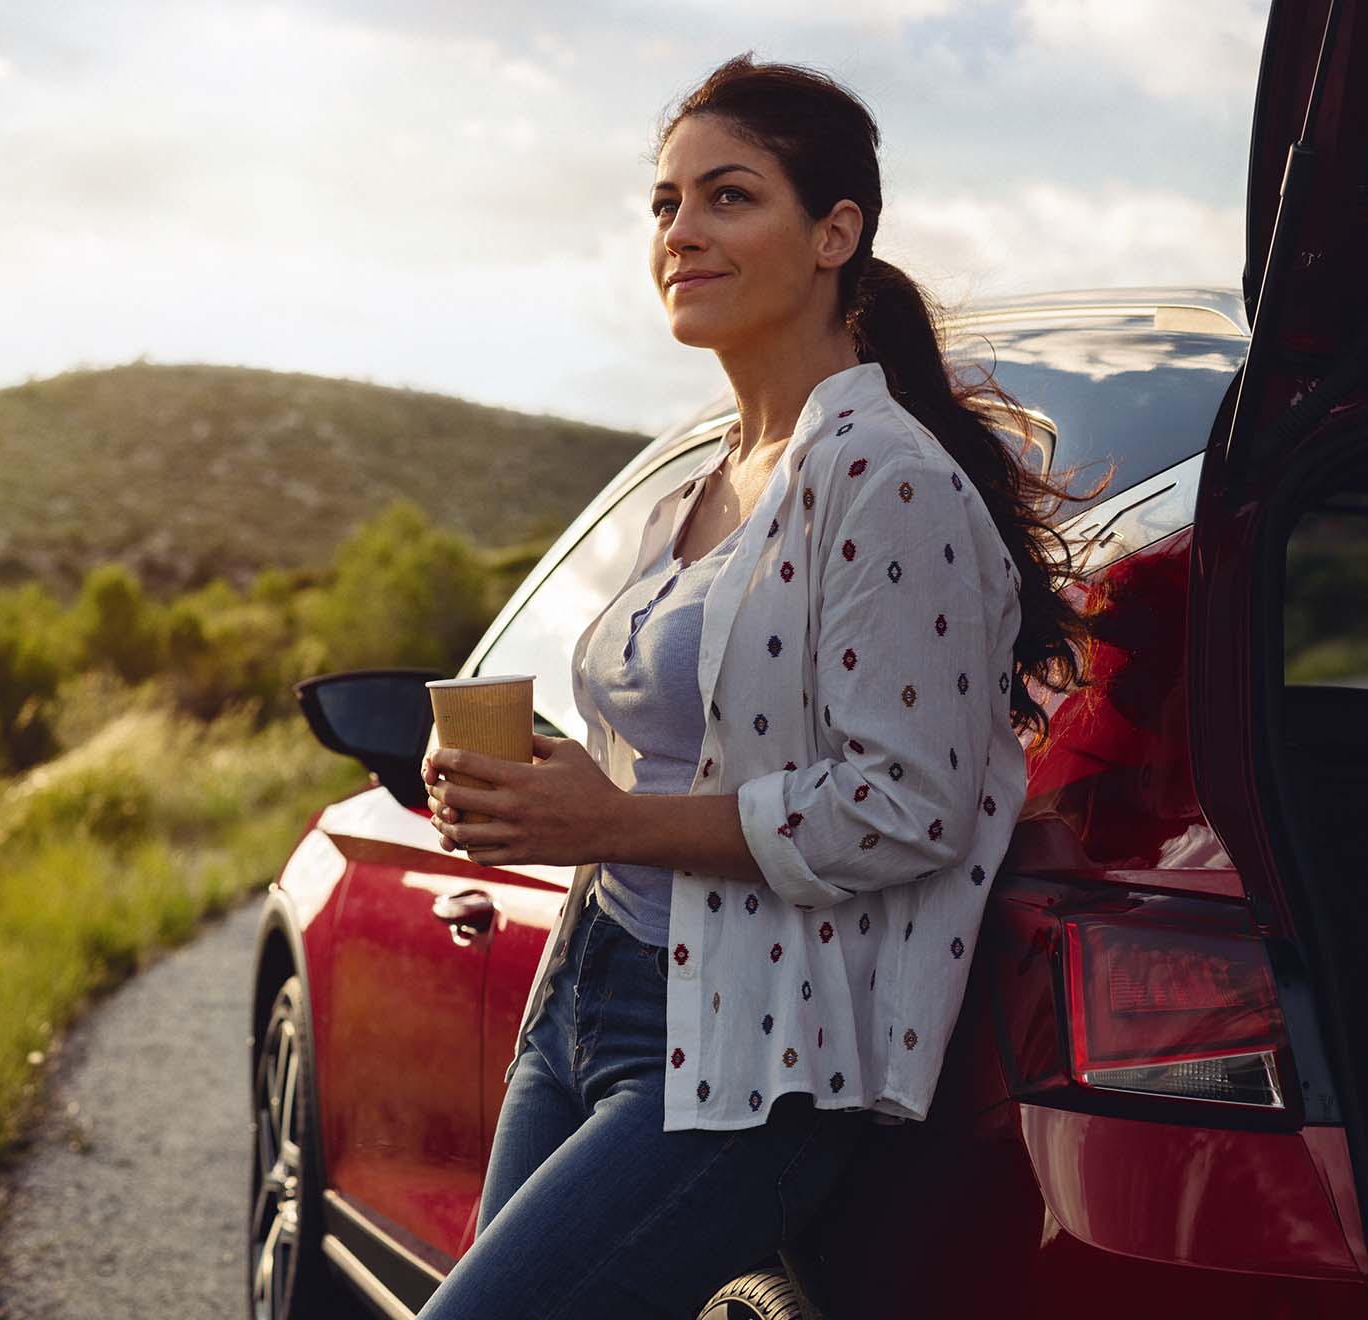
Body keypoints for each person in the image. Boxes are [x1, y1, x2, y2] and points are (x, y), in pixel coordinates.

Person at [407, 53, 1097, 1318]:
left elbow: (907, 807)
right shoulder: (696, 486)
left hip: (750, 1057)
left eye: (728, 198)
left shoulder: (887, 478)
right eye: (664, 205)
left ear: (836, 232)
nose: (681, 232)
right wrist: (539, 796)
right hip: (589, 989)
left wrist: (607, 821)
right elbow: (694, 750)